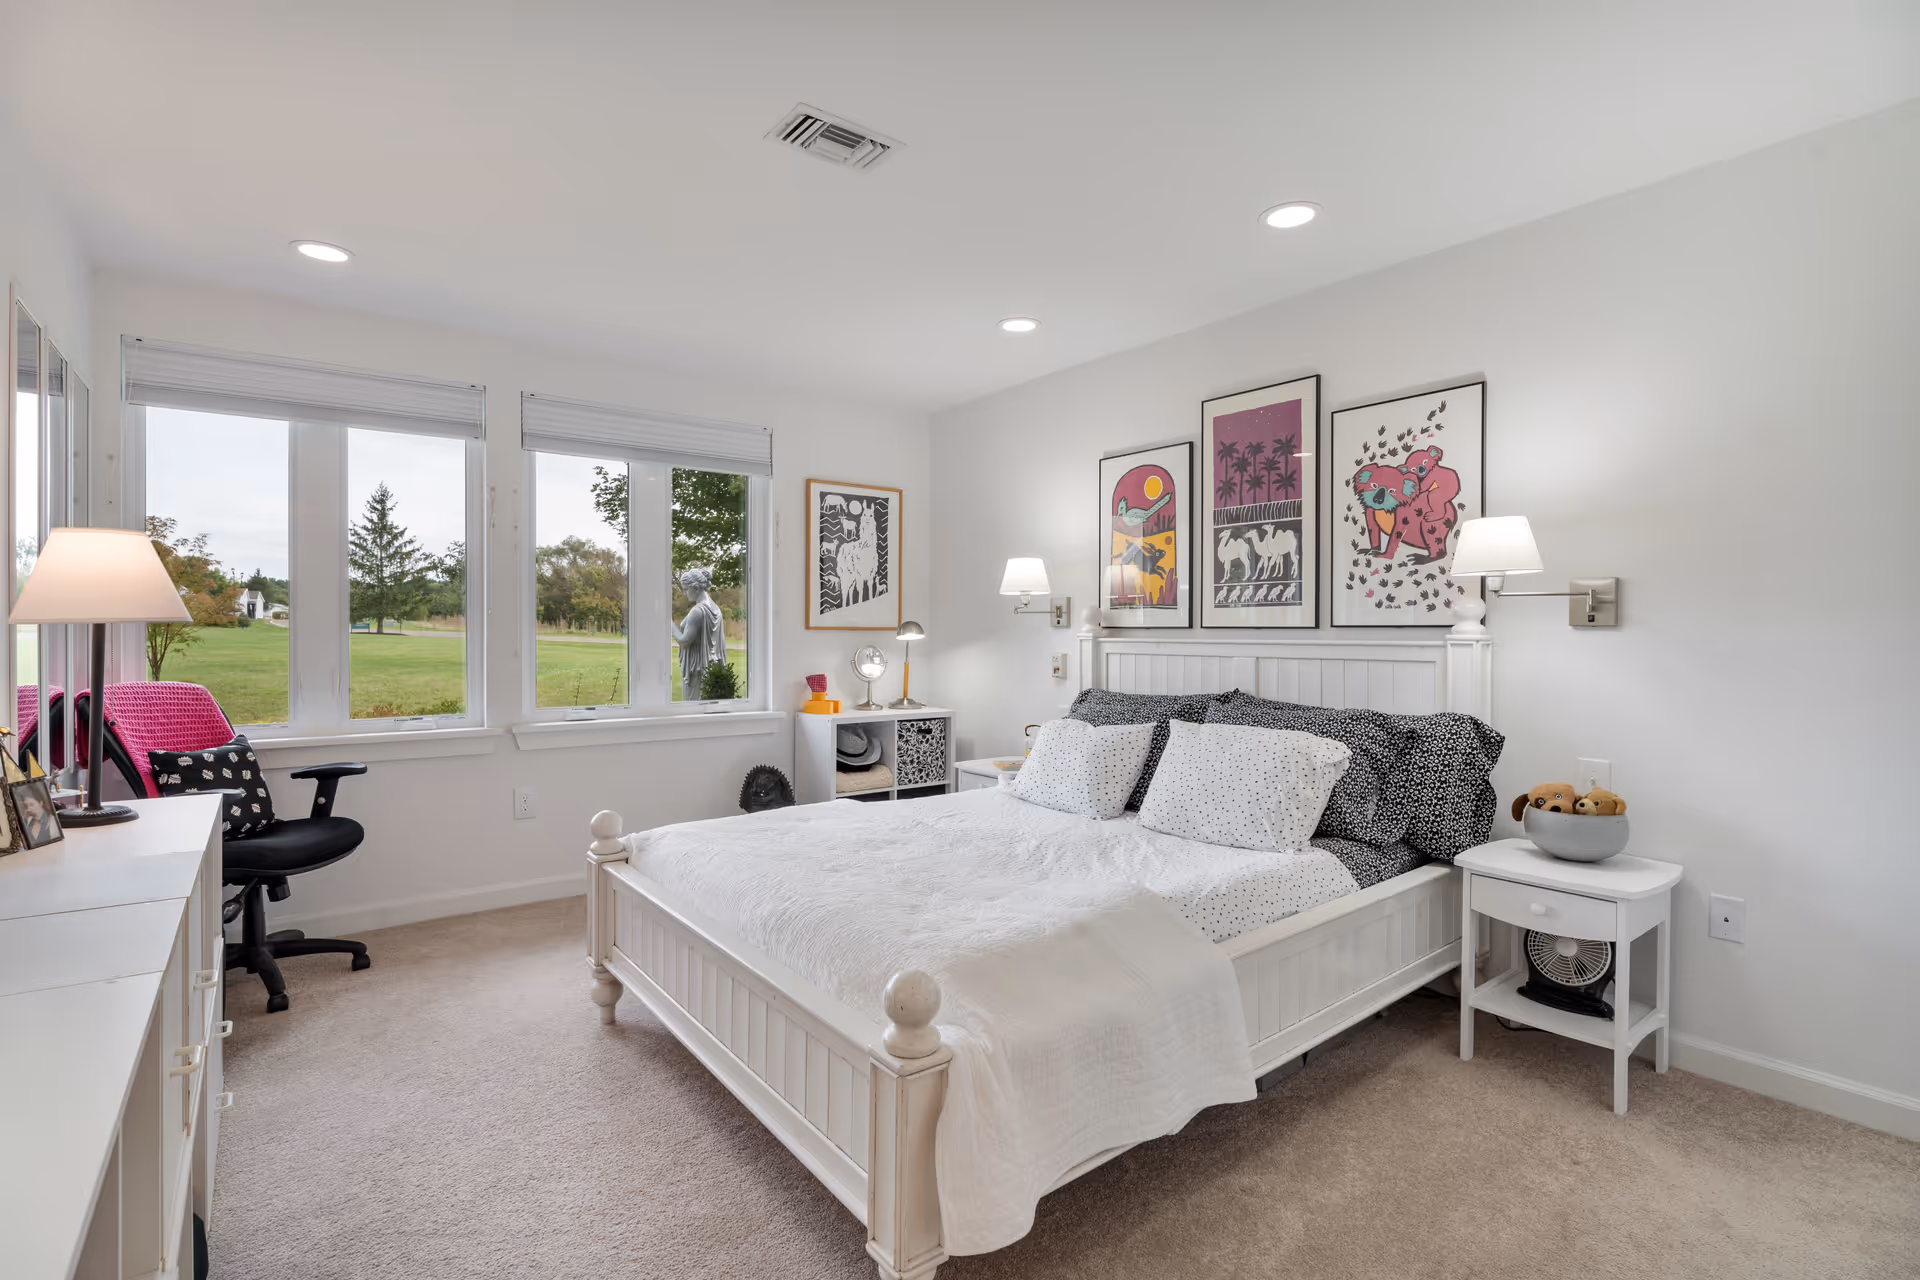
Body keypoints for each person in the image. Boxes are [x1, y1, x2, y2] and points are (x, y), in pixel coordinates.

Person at [668, 566, 727, 701]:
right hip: (711, 668)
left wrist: (669, 624)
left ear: (695, 588)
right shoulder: (715, 609)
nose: (685, 593)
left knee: (692, 707)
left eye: (686, 589)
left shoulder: (698, 611)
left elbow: (684, 641)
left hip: (696, 669)